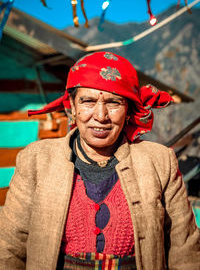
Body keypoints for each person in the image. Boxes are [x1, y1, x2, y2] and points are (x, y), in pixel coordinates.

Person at [0, 51, 199, 270]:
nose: (101, 116)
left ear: (128, 110)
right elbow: (10, 247)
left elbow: (185, 248)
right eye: (88, 101)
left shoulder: (159, 161)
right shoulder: (37, 160)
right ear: (72, 107)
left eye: (114, 102)